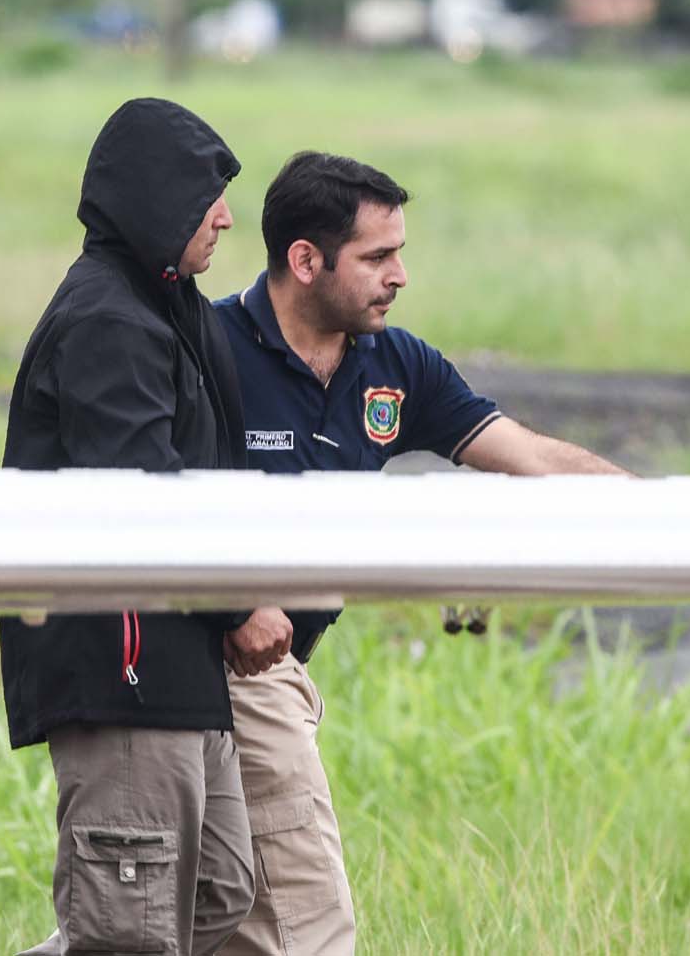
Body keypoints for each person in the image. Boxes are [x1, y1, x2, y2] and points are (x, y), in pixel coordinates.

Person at [211, 150, 627, 956]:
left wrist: (668, 512)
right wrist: (237, 598)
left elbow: (532, 457)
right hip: (213, 654)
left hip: (278, 665)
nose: (399, 275)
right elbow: (148, 488)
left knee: (177, 920)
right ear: (305, 260)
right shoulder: (209, 347)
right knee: (309, 924)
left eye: (399, 252)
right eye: (377, 257)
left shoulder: (395, 363)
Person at [1, 97, 289, 956]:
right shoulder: (108, 319)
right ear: (158, 197)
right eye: (209, 195)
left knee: (218, 890)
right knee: (128, 927)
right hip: (119, 660)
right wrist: (237, 605)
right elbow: (140, 493)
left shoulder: (173, 302)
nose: (228, 217)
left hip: (176, 662)